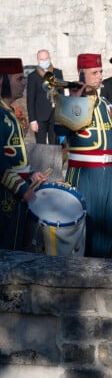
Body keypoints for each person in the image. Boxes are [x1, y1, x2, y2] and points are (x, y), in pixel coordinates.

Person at [57, 53, 112, 258]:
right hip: (84, 174)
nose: (100, 76)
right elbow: (61, 130)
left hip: (107, 173)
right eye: (94, 72)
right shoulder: (72, 101)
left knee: (109, 227)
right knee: (85, 230)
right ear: (80, 74)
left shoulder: (105, 104)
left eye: (101, 72)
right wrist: (76, 98)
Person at [0, 58, 47, 250]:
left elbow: (13, 155)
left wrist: (30, 173)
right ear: (2, 81)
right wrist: (22, 188)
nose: (24, 83)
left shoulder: (9, 112)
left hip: (14, 194)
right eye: (19, 79)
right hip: (5, 195)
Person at [26, 49, 63, 144]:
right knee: (41, 145)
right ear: (38, 60)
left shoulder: (58, 73)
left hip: (55, 115)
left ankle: (55, 159)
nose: (44, 61)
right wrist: (32, 120)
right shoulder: (33, 76)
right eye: (42, 59)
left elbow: (61, 95)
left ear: (50, 58)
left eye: (46, 58)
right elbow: (30, 100)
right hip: (40, 117)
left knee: (54, 144)